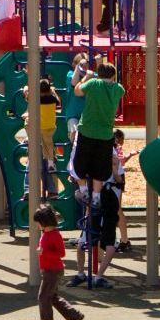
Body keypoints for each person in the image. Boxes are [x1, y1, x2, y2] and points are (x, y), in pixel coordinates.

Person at [71, 56, 123, 211]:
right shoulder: (118, 88)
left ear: (99, 75)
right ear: (113, 76)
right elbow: (114, 85)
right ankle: (96, 196)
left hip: (87, 130)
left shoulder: (93, 83)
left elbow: (77, 91)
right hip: (105, 134)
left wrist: (85, 77)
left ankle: (83, 190)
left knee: (77, 163)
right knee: (100, 167)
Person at [33, 206, 84, 320]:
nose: (37, 226)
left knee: (43, 297)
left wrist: (44, 252)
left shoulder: (54, 235)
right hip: (49, 269)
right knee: (52, 297)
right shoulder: (46, 233)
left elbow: (61, 253)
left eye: (38, 223)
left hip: (53, 270)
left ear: (44, 222)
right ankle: (74, 315)